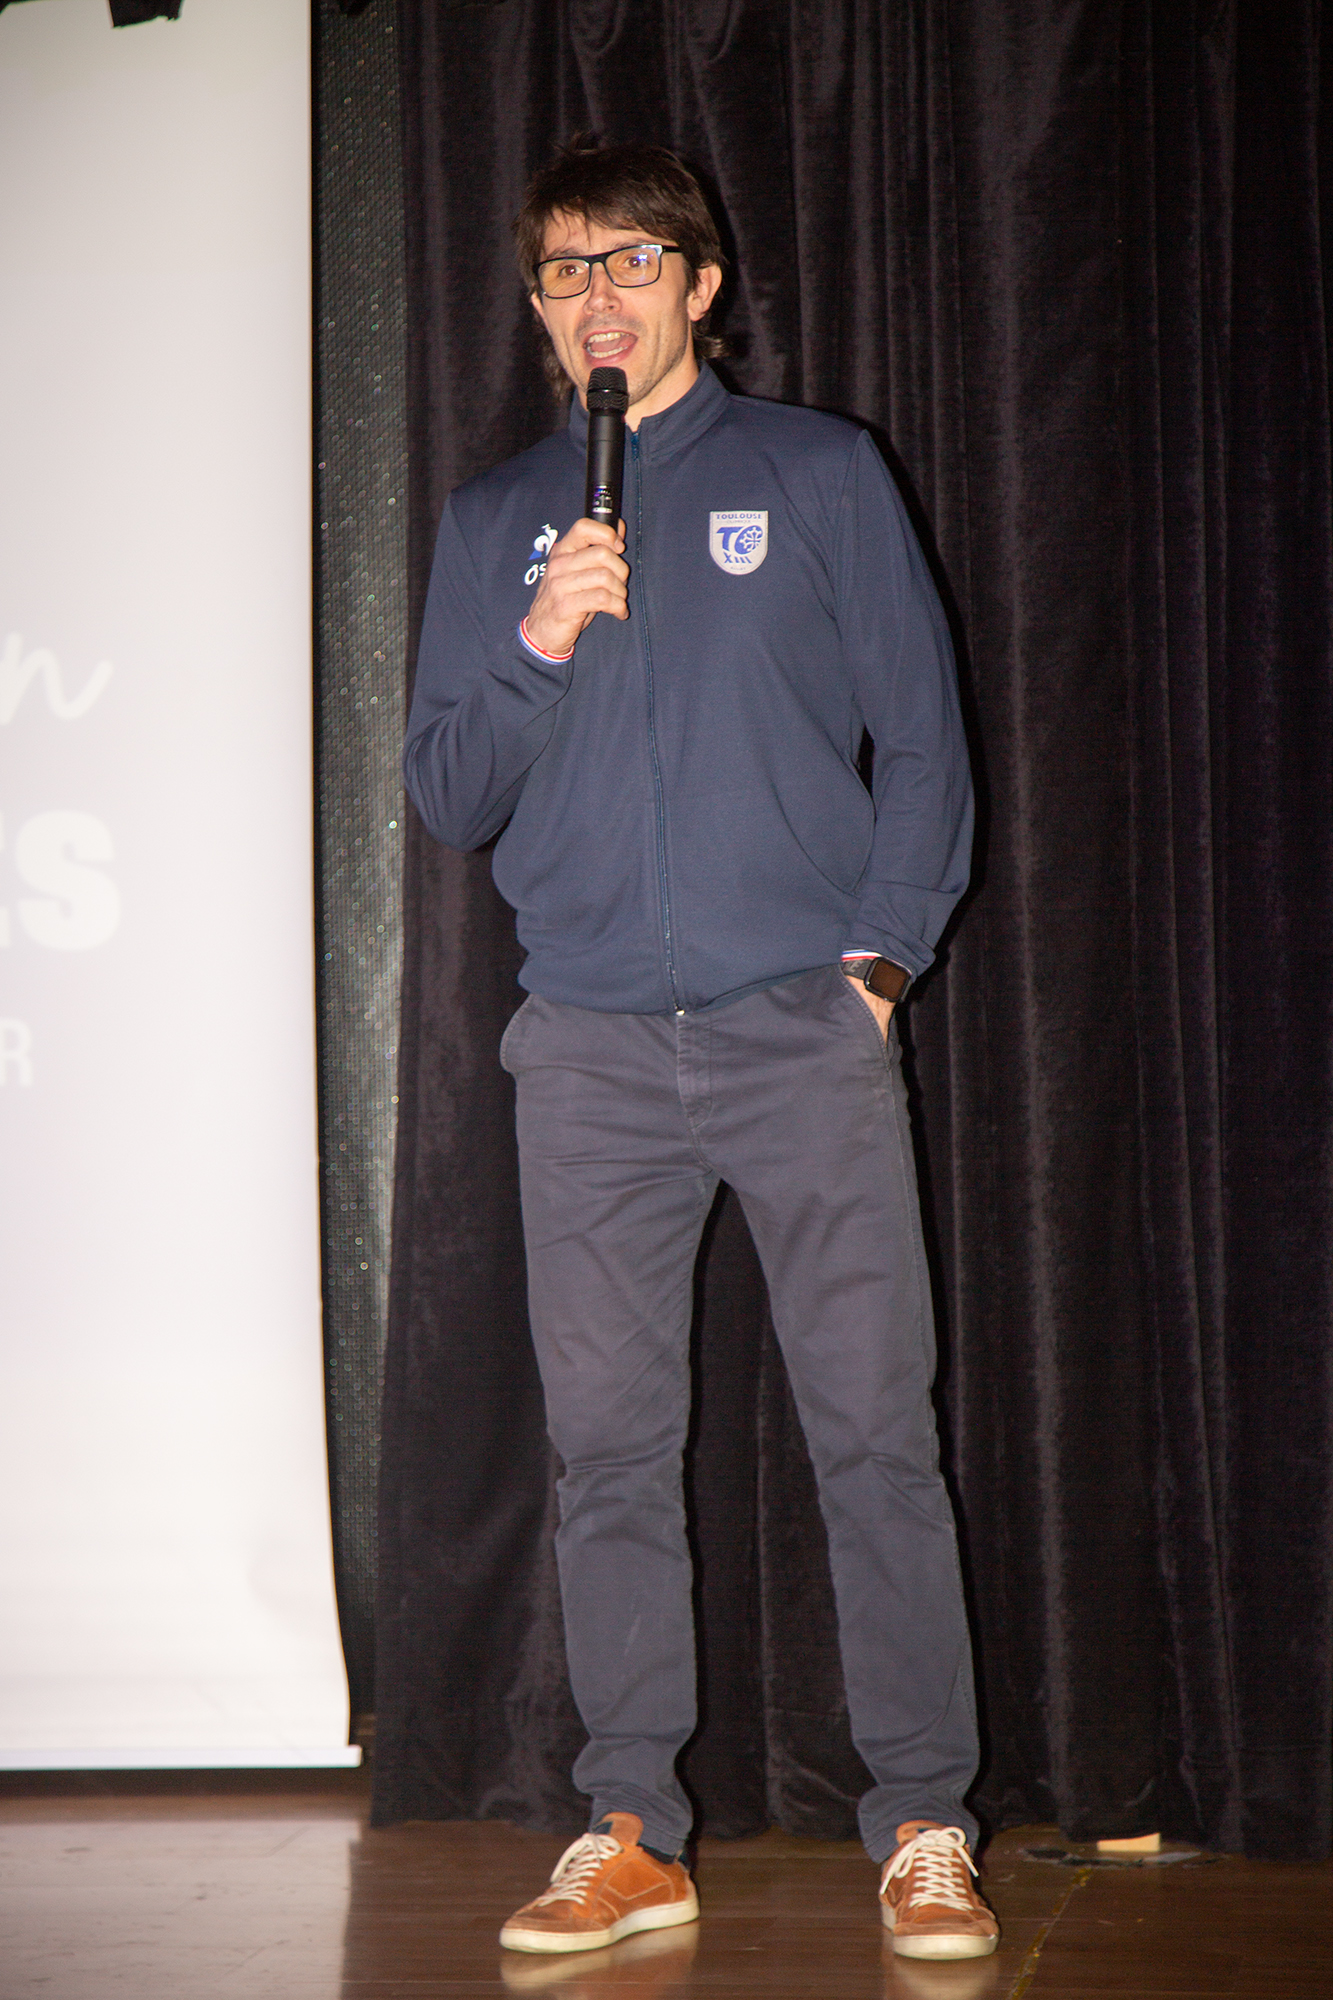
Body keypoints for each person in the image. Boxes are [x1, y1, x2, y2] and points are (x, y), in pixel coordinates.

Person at [403, 141, 997, 1965]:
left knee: (872, 1438)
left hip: (794, 1034)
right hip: (587, 1054)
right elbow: (447, 791)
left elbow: (925, 734)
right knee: (605, 1455)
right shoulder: (500, 516)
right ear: (535, 306)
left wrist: (878, 965)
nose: (598, 299)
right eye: (564, 272)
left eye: (632, 263)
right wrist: (534, 636)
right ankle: (630, 1831)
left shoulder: (814, 472)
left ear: (701, 283)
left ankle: (924, 1823)